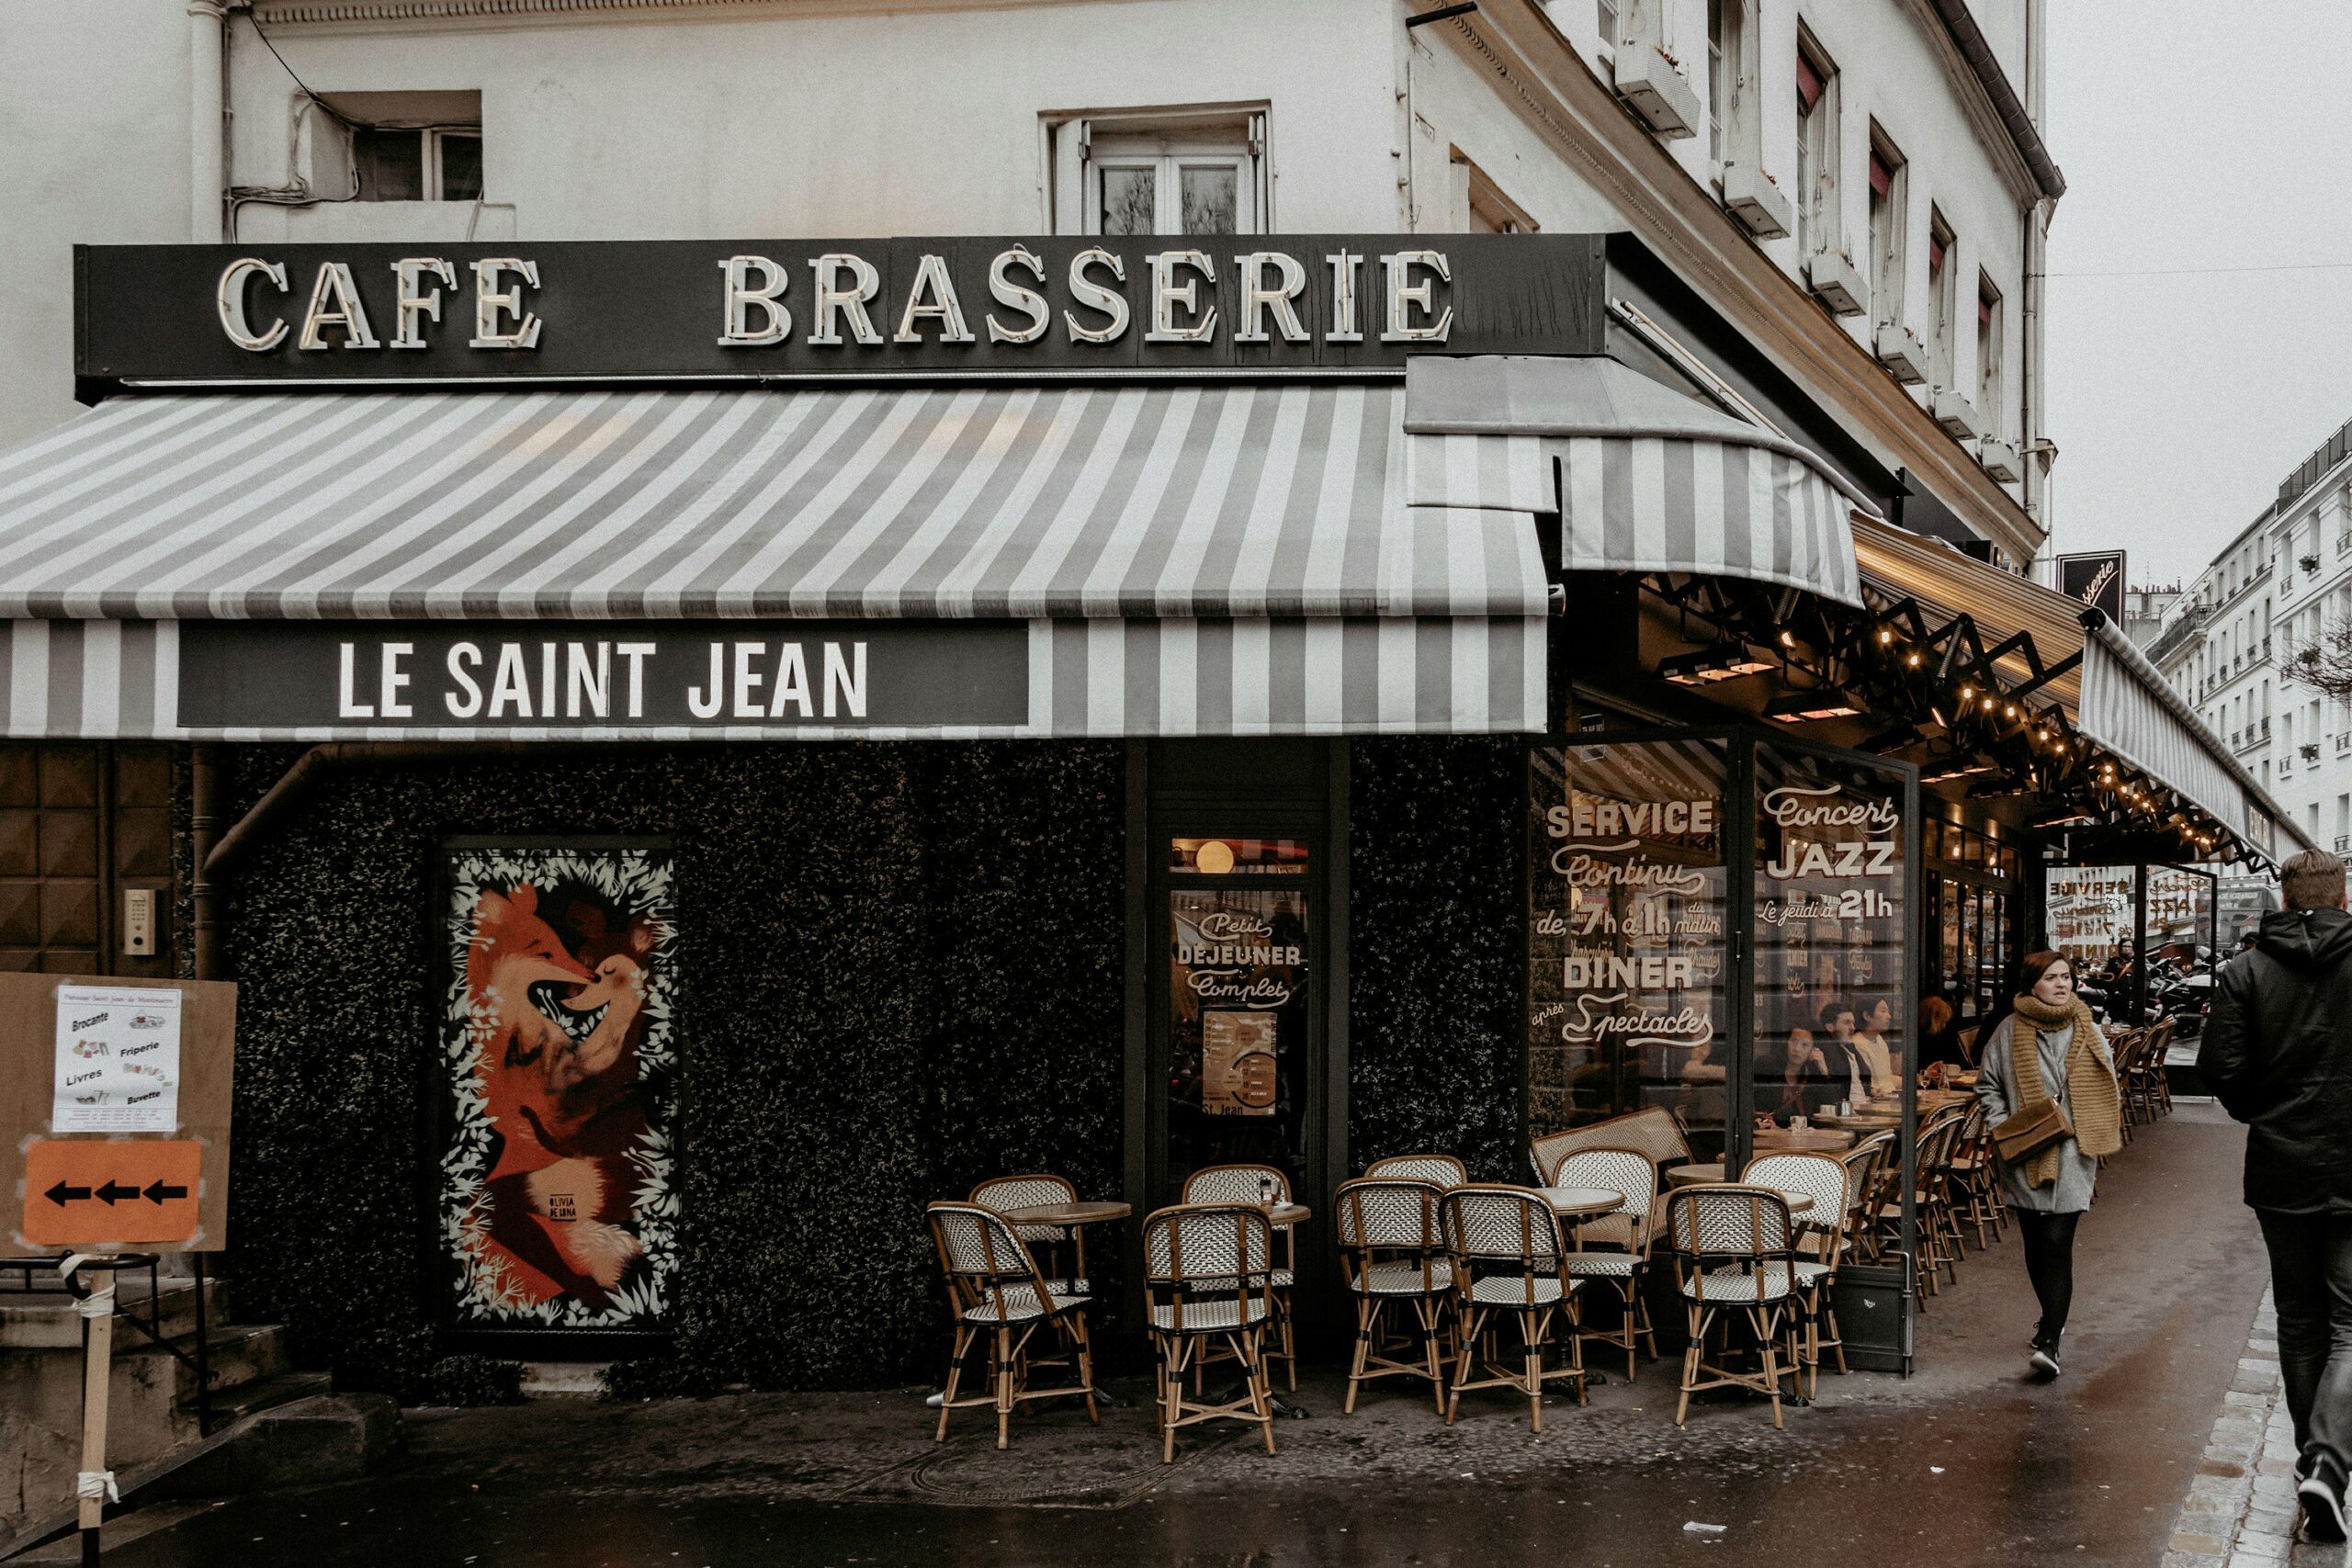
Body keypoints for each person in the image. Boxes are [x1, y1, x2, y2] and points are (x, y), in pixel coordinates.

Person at [2199, 849, 2352, 1543]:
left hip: (2282, 1165)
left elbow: (2221, 1069)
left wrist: (2271, 1111)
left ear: (2286, 901)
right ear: (2343, 897)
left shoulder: (2245, 970)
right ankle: (2329, 1459)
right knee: (2351, 1323)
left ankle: (2311, 1461)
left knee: (2298, 1317)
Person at [1973, 951, 2122, 1382]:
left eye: (2067, 977)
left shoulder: (2088, 1029)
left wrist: (2089, 1121)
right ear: (2031, 985)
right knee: (2036, 1244)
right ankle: (2047, 1318)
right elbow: (1988, 1086)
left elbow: (2108, 1084)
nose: (2062, 985)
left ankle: (2052, 1340)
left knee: (2057, 1242)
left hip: (2075, 1152)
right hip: (2024, 1151)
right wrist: (2003, 1127)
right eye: (2051, 978)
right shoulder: (2008, 1030)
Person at [1851, 996, 1901, 1096]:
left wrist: (1919, 1079)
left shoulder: (1879, 1039)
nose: (1889, 1016)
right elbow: (1871, 1084)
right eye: (1883, 1011)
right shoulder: (1858, 1043)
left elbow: (1886, 1078)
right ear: (1867, 1016)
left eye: (1888, 1011)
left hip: (1889, 1097)